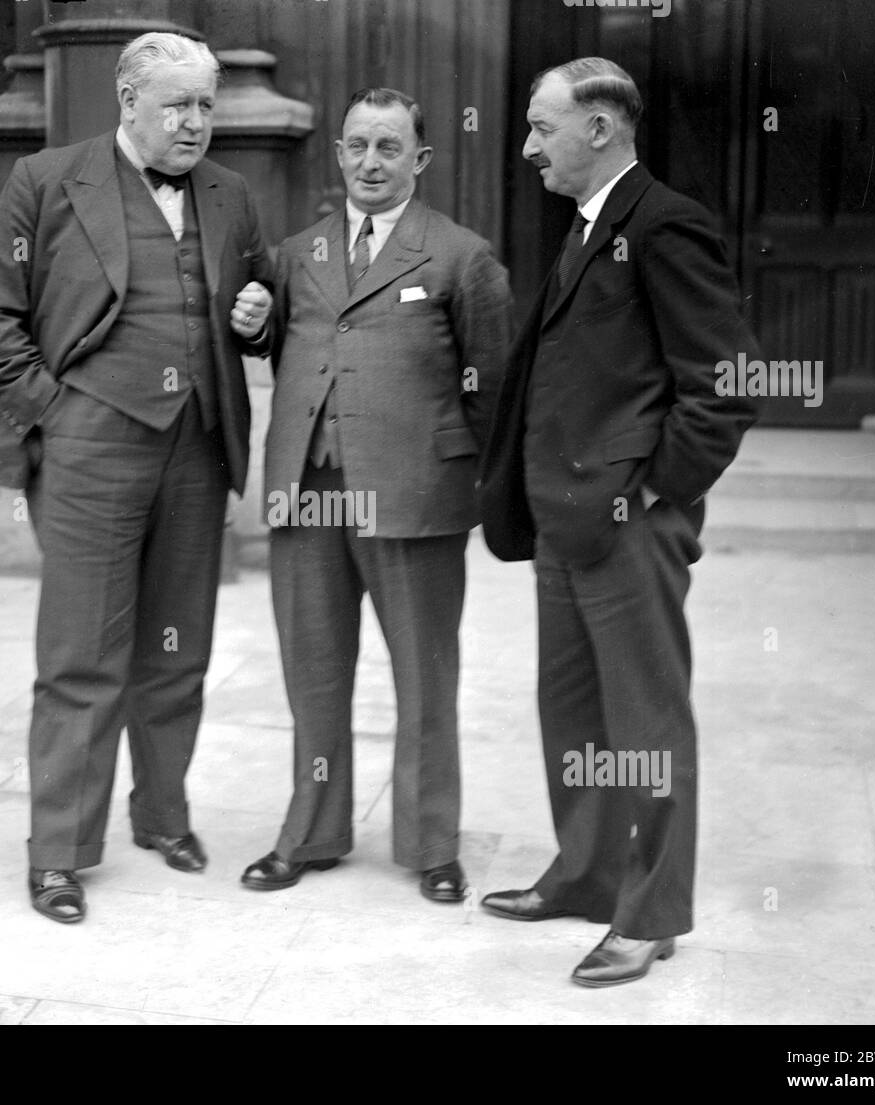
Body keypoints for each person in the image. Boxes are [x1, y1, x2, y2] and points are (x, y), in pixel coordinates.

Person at [0, 32, 274, 924]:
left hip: (198, 443)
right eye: (177, 104)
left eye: (208, 105)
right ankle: (58, 852)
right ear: (128, 100)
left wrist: (257, 318)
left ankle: (163, 815)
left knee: (179, 648)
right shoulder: (47, 181)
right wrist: (58, 412)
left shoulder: (231, 193)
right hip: (93, 442)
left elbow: (250, 313)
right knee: (81, 656)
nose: (195, 122)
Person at [478, 58, 758, 983]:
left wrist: (652, 490)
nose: (526, 147)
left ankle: (650, 913)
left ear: (599, 129)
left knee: (645, 724)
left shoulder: (666, 223)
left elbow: (724, 386)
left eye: (541, 128)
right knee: (573, 714)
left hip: (627, 521)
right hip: (565, 518)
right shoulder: (591, 224)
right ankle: (589, 874)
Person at [240, 88, 512, 902]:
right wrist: (250, 319)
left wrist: (447, 465)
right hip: (311, 489)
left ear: (419, 161)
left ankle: (432, 845)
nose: (369, 163)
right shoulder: (298, 253)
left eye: (388, 148)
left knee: (425, 676)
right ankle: (312, 832)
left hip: (413, 493)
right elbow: (269, 339)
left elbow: (492, 384)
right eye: (356, 145)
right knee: (313, 670)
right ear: (337, 154)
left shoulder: (462, 257)